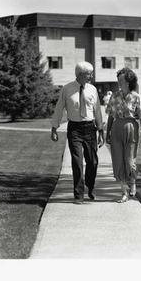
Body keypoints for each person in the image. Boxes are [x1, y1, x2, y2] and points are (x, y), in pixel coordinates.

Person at [51, 61, 105, 204]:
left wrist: (101, 130)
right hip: (74, 129)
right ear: (80, 74)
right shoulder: (67, 89)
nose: (91, 76)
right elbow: (59, 108)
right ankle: (78, 194)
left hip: (90, 128)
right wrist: (54, 128)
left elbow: (97, 110)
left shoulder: (92, 89)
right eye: (89, 74)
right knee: (77, 162)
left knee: (92, 161)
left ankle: (90, 185)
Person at [106, 68, 141, 203]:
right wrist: (107, 133)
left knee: (129, 160)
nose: (119, 82)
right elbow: (110, 117)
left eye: (121, 79)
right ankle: (124, 192)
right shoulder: (114, 96)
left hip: (132, 128)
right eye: (118, 79)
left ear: (128, 81)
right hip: (116, 129)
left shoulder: (136, 97)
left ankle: (132, 182)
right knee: (118, 161)